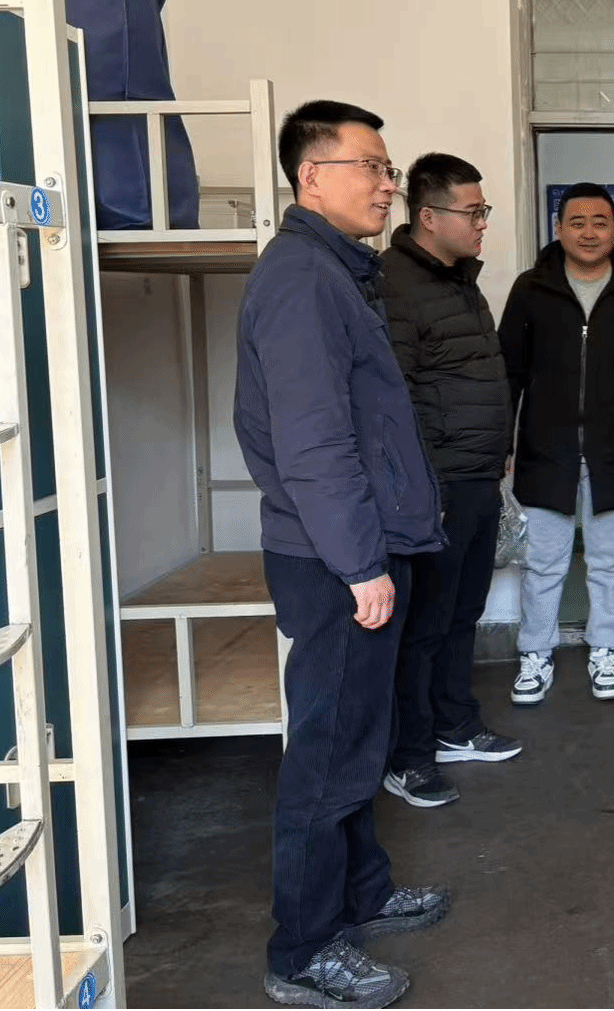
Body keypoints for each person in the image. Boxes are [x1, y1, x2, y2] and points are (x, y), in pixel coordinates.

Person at [234, 100, 451, 1011]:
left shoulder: (335, 273)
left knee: (357, 738)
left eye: (388, 167)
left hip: (355, 547)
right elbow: (314, 444)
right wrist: (362, 566)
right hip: (336, 560)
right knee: (327, 753)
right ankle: (305, 948)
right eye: (372, 166)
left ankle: (361, 892)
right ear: (311, 175)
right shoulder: (302, 280)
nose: (388, 184)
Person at [378, 153, 520, 812]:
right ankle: (409, 758)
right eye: (474, 211)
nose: (483, 222)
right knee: (424, 625)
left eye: (484, 209)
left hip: (476, 478)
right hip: (438, 485)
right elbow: (396, 396)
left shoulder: (458, 280)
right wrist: (422, 488)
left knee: (463, 614)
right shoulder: (396, 285)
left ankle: (454, 725)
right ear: (429, 217)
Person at [497, 183, 614, 705]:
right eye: (577, 222)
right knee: (543, 562)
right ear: (559, 229)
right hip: (545, 448)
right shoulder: (532, 288)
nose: (589, 232)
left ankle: (605, 647)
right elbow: (508, 371)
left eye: (600, 222)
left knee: (611, 561)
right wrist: (502, 442)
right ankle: (536, 652)